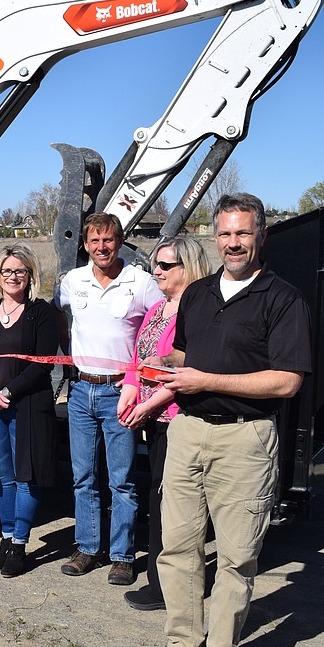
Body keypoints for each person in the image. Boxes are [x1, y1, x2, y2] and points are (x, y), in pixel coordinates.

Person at [149, 193, 310, 647]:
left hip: (245, 438)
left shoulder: (283, 299)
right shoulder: (197, 295)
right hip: (188, 431)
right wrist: (155, 374)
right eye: (225, 233)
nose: (233, 243)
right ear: (214, 236)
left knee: (238, 554)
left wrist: (205, 379)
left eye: (243, 233)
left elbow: (286, 382)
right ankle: (183, 643)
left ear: (261, 234)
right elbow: (184, 352)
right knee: (177, 546)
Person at [54, 212, 162, 585]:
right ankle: (87, 548)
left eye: (109, 240)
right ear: (85, 244)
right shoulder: (73, 281)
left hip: (122, 393)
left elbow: (162, 326)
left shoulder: (142, 282)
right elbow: (58, 314)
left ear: (120, 242)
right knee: (83, 476)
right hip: (81, 390)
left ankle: (122, 556)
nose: (102, 247)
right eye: (95, 240)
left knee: (123, 480)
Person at [117, 236, 211, 610]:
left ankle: (169, 588)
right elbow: (138, 357)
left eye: (165, 265)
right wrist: (129, 389)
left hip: (176, 419)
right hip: (154, 420)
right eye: (156, 263)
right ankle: (161, 581)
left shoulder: (195, 311)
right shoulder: (159, 308)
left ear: (187, 267)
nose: (155, 270)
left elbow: (187, 371)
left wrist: (148, 404)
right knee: (159, 500)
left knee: (172, 506)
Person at [0, 244, 58, 578]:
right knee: (4, 478)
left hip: (27, 406)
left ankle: (20, 544)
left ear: (29, 274)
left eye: (19, 271)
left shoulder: (40, 313)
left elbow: (43, 364)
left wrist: (7, 391)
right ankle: (5, 539)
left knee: (26, 476)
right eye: (7, 271)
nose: (13, 277)